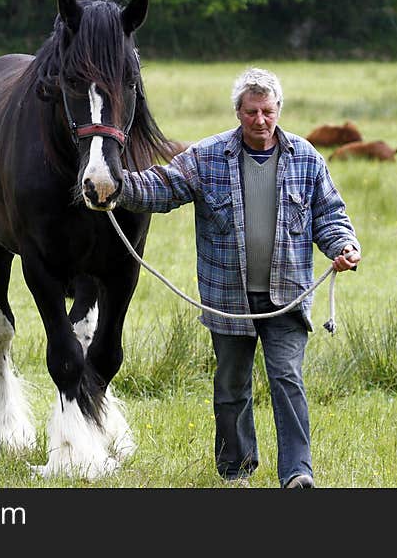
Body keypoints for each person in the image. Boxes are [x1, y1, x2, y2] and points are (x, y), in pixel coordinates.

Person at [114, 67, 361, 488]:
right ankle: (235, 472)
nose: (260, 120)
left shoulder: (306, 158)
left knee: (287, 379)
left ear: (279, 109)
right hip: (226, 298)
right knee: (231, 386)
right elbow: (163, 186)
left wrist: (343, 246)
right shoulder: (206, 156)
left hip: (286, 297)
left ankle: (298, 474)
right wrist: (115, 185)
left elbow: (330, 215)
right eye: (251, 112)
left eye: (267, 111)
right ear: (237, 112)